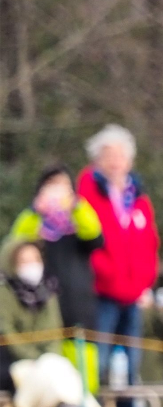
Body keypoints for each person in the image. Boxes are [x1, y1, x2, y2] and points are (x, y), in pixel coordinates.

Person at [77, 125, 159, 407]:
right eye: (108, 155)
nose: (115, 161)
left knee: (130, 363)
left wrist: (145, 283)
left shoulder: (138, 197)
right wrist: (108, 275)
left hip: (133, 294)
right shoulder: (86, 193)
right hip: (102, 292)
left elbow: (150, 243)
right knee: (98, 361)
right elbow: (90, 243)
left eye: (120, 155)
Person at [5, 165, 104, 391]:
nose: (57, 193)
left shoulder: (78, 219)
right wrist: (35, 211)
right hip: (43, 309)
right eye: (51, 186)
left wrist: (76, 206)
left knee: (84, 375)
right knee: (50, 377)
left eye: (63, 186)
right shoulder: (34, 222)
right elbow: (15, 246)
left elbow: (95, 235)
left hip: (78, 307)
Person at [0, 241, 66, 407]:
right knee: (30, 374)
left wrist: (45, 358)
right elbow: (7, 334)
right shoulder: (5, 293)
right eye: (25, 261)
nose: (31, 266)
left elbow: (54, 332)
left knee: (56, 370)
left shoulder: (49, 291)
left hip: (44, 360)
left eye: (35, 259)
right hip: (12, 360)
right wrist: (31, 357)